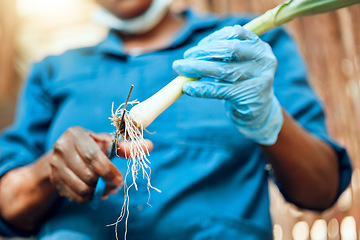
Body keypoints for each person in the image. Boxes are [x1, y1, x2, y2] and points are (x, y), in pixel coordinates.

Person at [0, 0, 352, 239]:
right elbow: (9, 203)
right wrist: (51, 168)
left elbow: (321, 189)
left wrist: (268, 118)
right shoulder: (53, 70)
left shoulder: (247, 43)